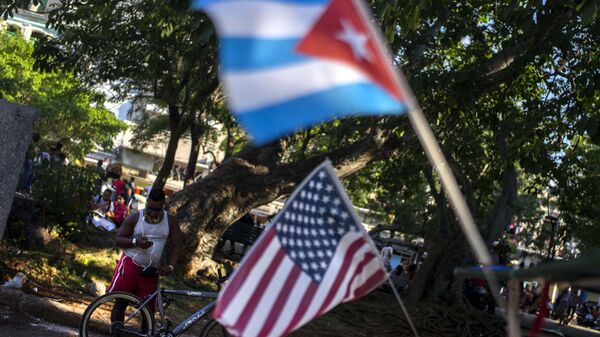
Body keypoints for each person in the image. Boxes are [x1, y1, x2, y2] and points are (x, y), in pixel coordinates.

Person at [107, 189, 183, 328]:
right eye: (150, 208)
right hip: (131, 263)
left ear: (163, 206)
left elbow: (177, 244)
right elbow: (118, 239)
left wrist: (171, 266)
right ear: (147, 203)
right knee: (121, 302)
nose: (153, 213)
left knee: (148, 309)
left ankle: (145, 333)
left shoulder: (170, 221)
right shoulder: (135, 217)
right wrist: (135, 242)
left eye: (157, 209)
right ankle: (116, 331)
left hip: (151, 269)